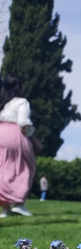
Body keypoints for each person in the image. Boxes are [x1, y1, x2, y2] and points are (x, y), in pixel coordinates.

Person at [0, 76, 39, 218]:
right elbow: (23, 122)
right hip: (14, 134)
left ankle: (5, 209)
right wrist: (31, 134)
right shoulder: (22, 102)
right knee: (26, 167)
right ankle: (19, 204)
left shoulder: (2, 102)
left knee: (3, 169)